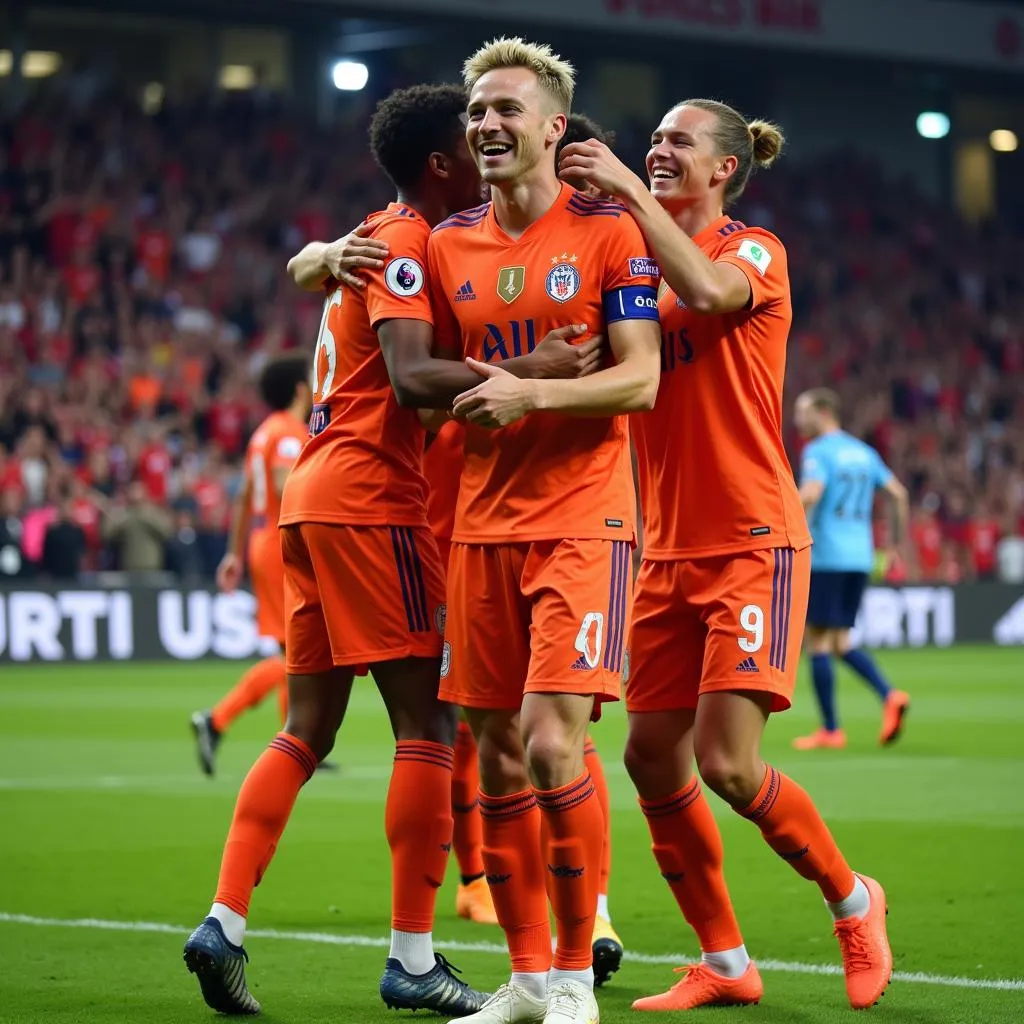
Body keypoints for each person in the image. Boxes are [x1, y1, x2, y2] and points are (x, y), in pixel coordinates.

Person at [560, 99, 893, 1011]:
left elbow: (706, 295)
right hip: (661, 547)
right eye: (652, 141)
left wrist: (627, 189)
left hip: (752, 539)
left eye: (678, 144)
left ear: (724, 171)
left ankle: (854, 899)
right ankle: (728, 962)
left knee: (730, 765)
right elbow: (610, 374)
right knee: (649, 756)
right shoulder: (637, 269)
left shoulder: (754, 251)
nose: (658, 151)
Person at [182, 84, 494, 1018]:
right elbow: (409, 379)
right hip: (370, 501)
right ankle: (412, 957)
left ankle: (223, 924)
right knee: (430, 728)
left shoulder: (378, 236)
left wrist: (309, 258)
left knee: (306, 729)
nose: (484, 155)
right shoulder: (403, 243)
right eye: (468, 146)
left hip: (314, 503)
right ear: (439, 164)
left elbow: (334, 299)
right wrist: (526, 374)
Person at [427, 38, 661, 1024]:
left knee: (553, 742)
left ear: (553, 127)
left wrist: (531, 388)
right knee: (494, 749)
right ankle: (525, 979)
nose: (486, 124)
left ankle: (574, 973)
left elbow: (640, 376)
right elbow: (435, 381)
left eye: (507, 110)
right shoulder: (447, 246)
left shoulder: (608, 235)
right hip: (482, 523)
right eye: (478, 109)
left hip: (582, 519)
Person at [189, 353, 312, 777]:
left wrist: (233, 553)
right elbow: (285, 481)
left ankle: (297, 741)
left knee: (291, 648)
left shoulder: (262, 434)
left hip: (261, 540)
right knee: (301, 653)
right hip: (283, 543)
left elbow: (244, 497)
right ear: (300, 388)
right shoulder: (289, 434)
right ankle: (217, 718)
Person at [792, 387, 911, 750]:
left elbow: (811, 493)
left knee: (817, 642)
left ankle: (831, 729)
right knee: (840, 642)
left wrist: (778, 516)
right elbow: (899, 495)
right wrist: (893, 546)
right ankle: (889, 695)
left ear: (824, 413)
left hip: (827, 557)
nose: (797, 419)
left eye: (802, 411)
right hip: (859, 556)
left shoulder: (818, 452)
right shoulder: (864, 453)